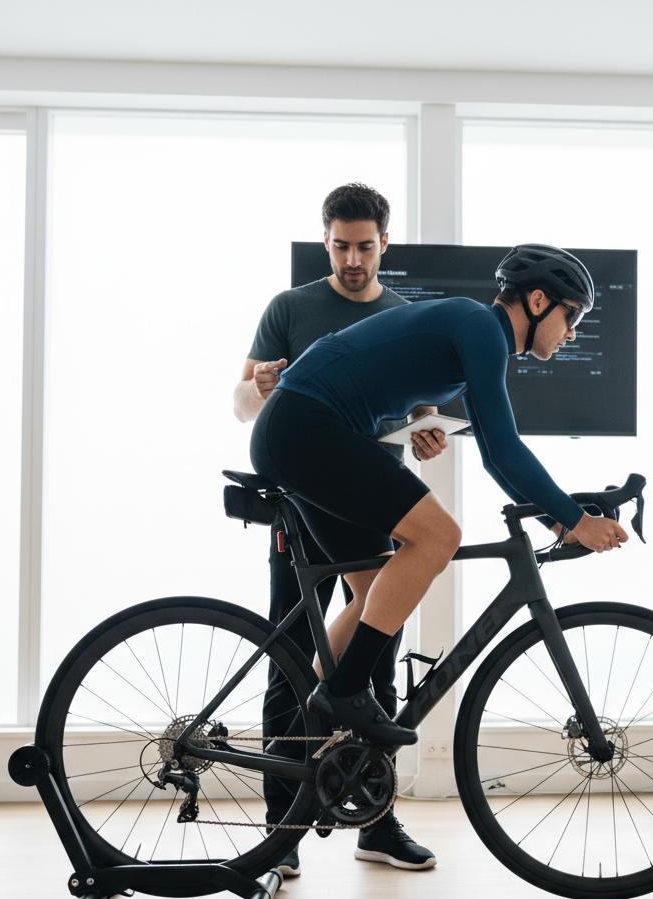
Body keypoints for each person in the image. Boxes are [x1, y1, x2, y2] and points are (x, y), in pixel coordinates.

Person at [250, 244, 628, 752]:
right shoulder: (480, 328)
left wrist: (560, 520)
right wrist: (572, 520)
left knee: (371, 593)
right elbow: (507, 448)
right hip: (306, 426)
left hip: (302, 429)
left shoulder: (478, 334)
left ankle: (300, 741)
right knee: (440, 536)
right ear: (538, 301)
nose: (573, 332)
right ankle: (343, 693)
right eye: (572, 316)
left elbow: (495, 453)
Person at [234, 183, 441, 874]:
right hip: (299, 506)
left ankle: (375, 824)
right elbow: (239, 404)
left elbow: (412, 413)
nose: (353, 259)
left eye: (365, 246)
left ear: (385, 243)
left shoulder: (401, 314)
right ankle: (281, 830)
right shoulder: (290, 308)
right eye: (340, 246)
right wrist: (258, 386)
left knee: (374, 663)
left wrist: (426, 433)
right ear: (326, 241)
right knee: (290, 657)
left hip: (370, 508)